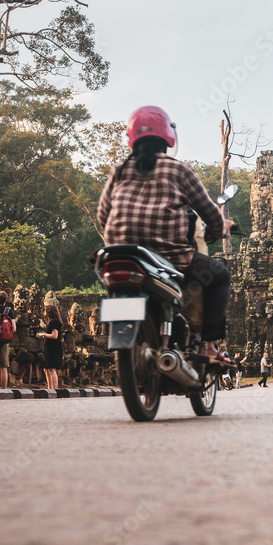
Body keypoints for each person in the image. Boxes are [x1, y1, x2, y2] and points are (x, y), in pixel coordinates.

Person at [96, 105, 234, 366]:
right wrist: (221, 230)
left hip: (119, 255)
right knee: (221, 275)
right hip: (170, 256)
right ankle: (208, 345)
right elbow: (209, 212)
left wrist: (114, 241)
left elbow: (103, 215)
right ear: (167, 137)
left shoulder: (120, 169)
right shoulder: (179, 170)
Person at [36, 304, 64, 390]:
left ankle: (54, 389)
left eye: (45, 311)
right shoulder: (53, 322)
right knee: (46, 369)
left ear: (49, 312)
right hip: (50, 347)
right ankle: (50, 388)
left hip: (53, 347)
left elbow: (55, 335)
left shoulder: (53, 322)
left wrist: (44, 334)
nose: (44, 313)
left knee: (52, 369)